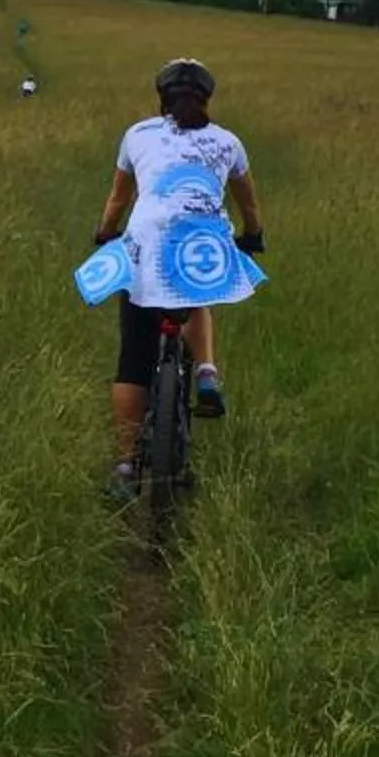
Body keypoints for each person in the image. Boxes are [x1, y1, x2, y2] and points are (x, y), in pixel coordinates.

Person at [91, 56, 264, 496]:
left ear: (161, 98)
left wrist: (106, 232)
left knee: (133, 358)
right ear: (207, 99)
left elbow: (117, 200)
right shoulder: (229, 143)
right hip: (203, 245)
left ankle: (126, 466)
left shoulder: (138, 134)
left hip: (145, 242)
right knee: (197, 287)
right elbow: (250, 207)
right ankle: (206, 371)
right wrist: (254, 234)